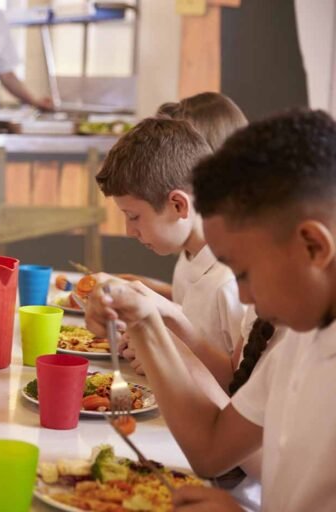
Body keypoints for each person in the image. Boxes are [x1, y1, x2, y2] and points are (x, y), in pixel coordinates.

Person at [89, 109, 336, 511]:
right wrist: (146, 319)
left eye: (244, 272)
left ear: (313, 247)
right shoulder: (301, 339)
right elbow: (211, 448)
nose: (245, 297)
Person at [95, 117, 246, 384]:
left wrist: (161, 352)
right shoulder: (190, 255)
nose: (130, 231)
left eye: (133, 216)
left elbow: (237, 383)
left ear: (178, 205)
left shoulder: (230, 282)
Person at [119, 92, 249, 300]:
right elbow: (194, 303)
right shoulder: (192, 246)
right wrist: (146, 288)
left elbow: (217, 312)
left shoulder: (230, 273)